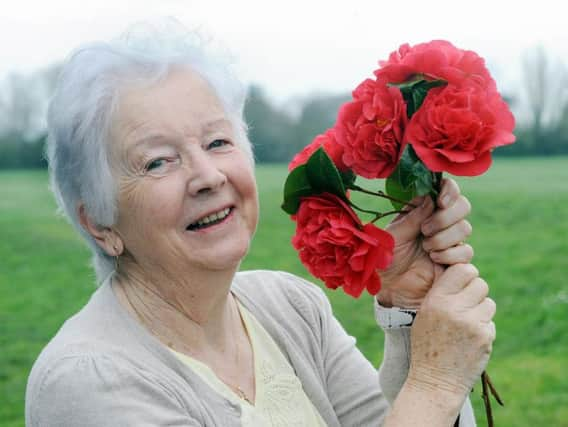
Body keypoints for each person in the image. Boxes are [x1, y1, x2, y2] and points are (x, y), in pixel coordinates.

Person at [26, 21, 495, 427]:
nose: (209, 177)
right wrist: (435, 383)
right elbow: (422, 405)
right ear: (100, 222)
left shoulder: (290, 307)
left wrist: (407, 308)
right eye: (158, 162)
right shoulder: (87, 381)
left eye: (217, 142)